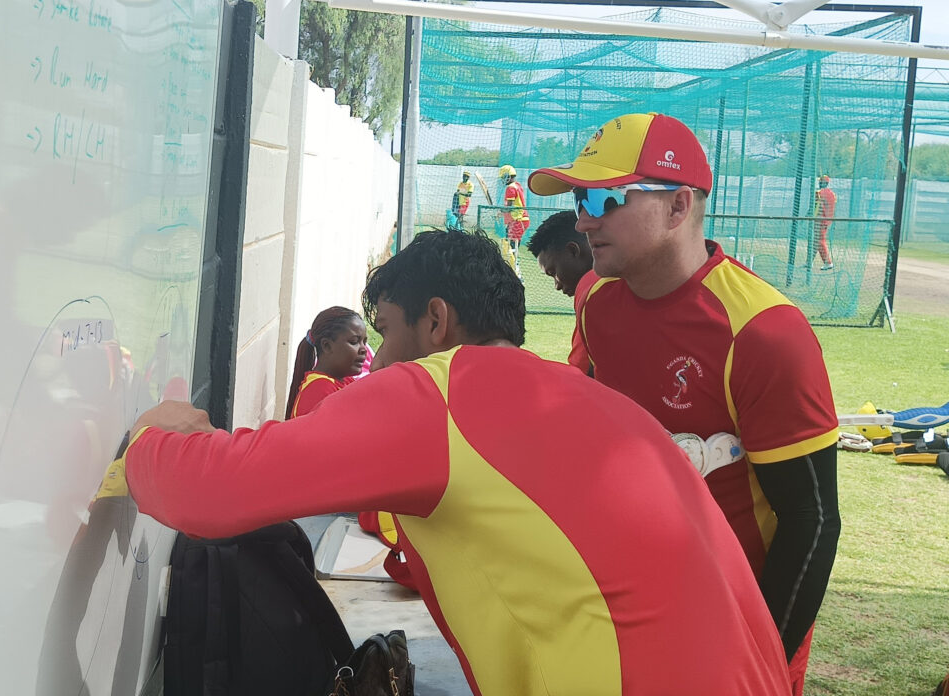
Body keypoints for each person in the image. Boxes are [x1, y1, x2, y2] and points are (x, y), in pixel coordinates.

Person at [123, 230, 792, 696]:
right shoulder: (585, 397)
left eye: (387, 332)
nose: (378, 362)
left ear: (436, 322)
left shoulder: (438, 392)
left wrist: (148, 440)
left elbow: (215, 492)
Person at [528, 112, 840, 695]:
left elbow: (812, 520)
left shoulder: (765, 333)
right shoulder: (596, 299)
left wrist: (761, 659)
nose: (585, 219)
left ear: (678, 207)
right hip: (636, 598)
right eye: (579, 200)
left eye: (605, 198)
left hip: (740, 616)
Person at [527, 209, 596, 373]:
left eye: (553, 273)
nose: (557, 285)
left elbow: (581, 374)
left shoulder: (595, 290)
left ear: (573, 251)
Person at [284, 306, 370, 419]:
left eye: (364, 342)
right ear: (327, 346)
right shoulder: (319, 389)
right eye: (354, 342)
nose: (364, 349)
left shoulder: (345, 380)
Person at [499, 164, 529, 280]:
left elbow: (509, 207)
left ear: (507, 176)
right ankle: (513, 272)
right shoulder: (517, 185)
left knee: (512, 249)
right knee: (510, 247)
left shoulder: (510, 188)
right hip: (518, 220)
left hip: (518, 220)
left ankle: (517, 275)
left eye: (503, 177)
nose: (503, 180)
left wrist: (500, 210)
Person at [813, 174, 836, 271]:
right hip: (827, 220)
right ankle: (809, 261)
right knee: (815, 241)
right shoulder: (832, 194)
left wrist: (807, 216)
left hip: (819, 220)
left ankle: (828, 262)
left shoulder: (818, 193)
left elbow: (814, 206)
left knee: (820, 241)